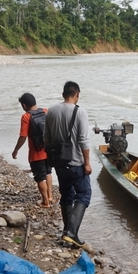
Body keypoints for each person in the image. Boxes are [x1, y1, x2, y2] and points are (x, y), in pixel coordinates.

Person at [43, 81, 92, 247]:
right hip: (76, 162)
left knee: (67, 195)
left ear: (63, 94)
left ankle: (67, 232)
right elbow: (83, 140)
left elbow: (46, 138)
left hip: (59, 163)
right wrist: (87, 163)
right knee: (84, 194)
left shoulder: (51, 111)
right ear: (77, 94)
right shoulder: (80, 112)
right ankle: (71, 232)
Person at [11, 92, 53, 207]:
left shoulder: (26, 116)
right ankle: (50, 196)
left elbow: (23, 136)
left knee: (40, 177)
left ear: (24, 105)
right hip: (49, 150)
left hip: (36, 153)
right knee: (48, 172)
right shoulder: (45, 111)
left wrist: (16, 150)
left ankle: (45, 202)